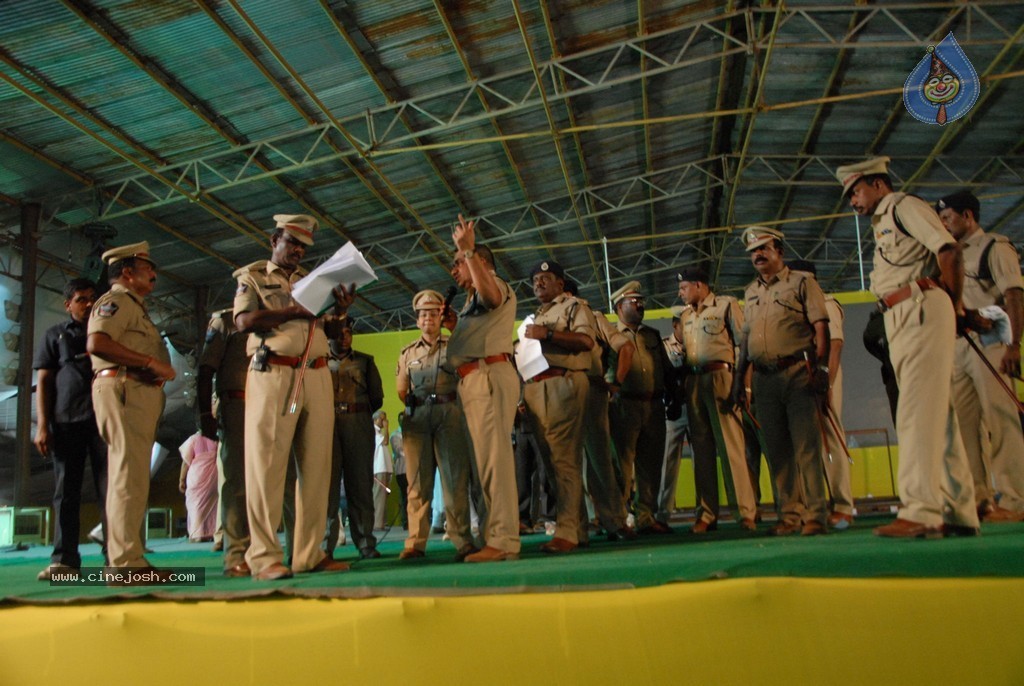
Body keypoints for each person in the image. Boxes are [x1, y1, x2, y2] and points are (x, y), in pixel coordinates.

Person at [836, 157, 977, 538]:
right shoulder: (884, 221)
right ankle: (959, 511)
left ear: (878, 184)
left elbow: (949, 251)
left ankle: (920, 510)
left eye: (856, 191)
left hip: (918, 306)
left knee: (914, 412)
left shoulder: (902, 206)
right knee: (938, 416)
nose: (853, 201)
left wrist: (954, 307)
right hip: (902, 313)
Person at [233, 213, 351, 580]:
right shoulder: (253, 277)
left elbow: (331, 330)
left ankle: (308, 553)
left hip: (316, 372)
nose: (298, 251)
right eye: (292, 243)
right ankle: (264, 557)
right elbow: (244, 322)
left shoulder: (311, 281)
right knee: (266, 467)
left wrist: (341, 311)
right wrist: (291, 311)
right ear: (274, 241)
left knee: (317, 468)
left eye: (303, 246)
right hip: (274, 373)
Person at [732, 227, 830, 537]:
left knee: (807, 448)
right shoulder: (750, 292)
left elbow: (821, 327)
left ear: (780, 252)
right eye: (753, 251)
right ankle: (790, 516)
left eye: (764, 248)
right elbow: (746, 341)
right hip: (764, 380)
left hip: (799, 374)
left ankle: (815, 515)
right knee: (778, 451)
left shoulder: (802, 283)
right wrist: (739, 380)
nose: (758, 255)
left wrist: (822, 368)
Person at [87, 242, 176, 580]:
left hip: (135, 392)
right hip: (124, 389)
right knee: (128, 477)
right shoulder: (117, 302)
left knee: (132, 478)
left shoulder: (134, 306)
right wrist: (149, 362)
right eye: (147, 267)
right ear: (127, 272)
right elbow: (97, 343)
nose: (153, 273)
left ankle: (126, 558)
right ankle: (125, 564)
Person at [936, 190, 1024, 522]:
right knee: (965, 427)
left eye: (948, 217)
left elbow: (1014, 295)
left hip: (991, 343)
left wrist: (1013, 345)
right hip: (958, 346)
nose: (944, 224)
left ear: (968, 216)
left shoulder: (994, 247)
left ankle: (1015, 500)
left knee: (1001, 421)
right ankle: (979, 498)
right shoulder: (947, 254)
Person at [442, 214, 520, 562]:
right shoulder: (469, 300)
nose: (454, 270)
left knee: (494, 462)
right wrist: (456, 327)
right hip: (474, 381)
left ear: (481, 262)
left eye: (457, 262)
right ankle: (493, 535)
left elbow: (491, 297)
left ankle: (503, 540)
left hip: (487, 377)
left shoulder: (494, 283)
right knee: (483, 464)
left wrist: (469, 251)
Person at [520, 261, 597, 553]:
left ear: (560, 284)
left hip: (564, 383)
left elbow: (586, 341)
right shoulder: (537, 315)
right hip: (536, 387)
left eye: (545, 278)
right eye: (535, 280)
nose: (538, 283)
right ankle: (578, 528)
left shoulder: (575, 307)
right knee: (551, 463)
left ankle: (566, 532)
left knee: (564, 460)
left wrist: (548, 335)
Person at [33, 278, 108, 581]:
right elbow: (44, 382)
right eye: (81, 299)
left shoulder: (108, 332)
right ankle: (64, 562)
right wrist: (42, 426)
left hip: (105, 421)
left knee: (111, 490)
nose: (89, 304)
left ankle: (117, 557)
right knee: (66, 493)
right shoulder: (55, 335)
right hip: (66, 423)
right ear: (68, 305)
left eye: (92, 298)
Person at [396, 289, 477, 561]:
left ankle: (462, 539)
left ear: (441, 317)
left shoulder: (455, 345)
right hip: (417, 418)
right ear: (417, 320)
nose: (428, 319)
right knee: (417, 484)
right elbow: (401, 389)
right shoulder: (407, 353)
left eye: (433, 314)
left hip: (450, 414)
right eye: (423, 315)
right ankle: (415, 543)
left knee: (455, 481)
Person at [676, 267, 757, 533]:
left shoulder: (726, 306)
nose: (680, 293)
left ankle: (744, 513)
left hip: (722, 377)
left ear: (699, 285)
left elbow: (744, 346)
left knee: (731, 448)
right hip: (694, 381)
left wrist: (744, 386)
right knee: (701, 452)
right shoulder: (686, 315)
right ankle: (706, 514)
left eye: (684, 287)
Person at [600, 280, 676, 535]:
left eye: (641, 301)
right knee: (621, 466)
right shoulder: (610, 336)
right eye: (633, 302)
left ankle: (646, 516)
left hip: (654, 406)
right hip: (624, 406)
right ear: (619, 307)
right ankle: (620, 519)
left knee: (650, 465)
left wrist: (674, 396)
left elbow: (665, 368)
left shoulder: (651, 335)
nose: (640, 305)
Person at [788, 259, 855, 529]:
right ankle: (814, 506)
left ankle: (842, 505)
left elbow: (835, 346)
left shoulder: (826, 304)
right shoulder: (796, 308)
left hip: (824, 375)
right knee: (806, 443)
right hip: (800, 378)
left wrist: (827, 384)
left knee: (831, 438)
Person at [319, 320, 385, 559]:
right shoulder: (319, 362)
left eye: (348, 332)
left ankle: (365, 541)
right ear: (329, 337)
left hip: (358, 423)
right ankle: (325, 545)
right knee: (327, 487)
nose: (345, 337)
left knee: (360, 485)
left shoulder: (365, 361)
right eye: (340, 333)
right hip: (327, 424)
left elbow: (376, 398)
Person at [197, 307, 252, 577]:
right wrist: (204, 413)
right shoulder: (225, 321)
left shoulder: (276, 318)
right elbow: (205, 369)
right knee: (236, 480)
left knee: (270, 481)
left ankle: (265, 550)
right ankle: (236, 552)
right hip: (236, 404)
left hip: (270, 406)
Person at [658, 308, 689, 527]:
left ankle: (706, 512)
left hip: (696, 407)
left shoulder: (698, 345)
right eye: (685, 325)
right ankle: (662, 514)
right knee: (668, 463)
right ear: (675, 326)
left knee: (703, 462)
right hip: (673, 409)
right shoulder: (664, 346)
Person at [178, 431, 219, 542]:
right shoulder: (216, 439)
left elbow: (185, 462)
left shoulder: (193, 439)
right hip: (213, 476)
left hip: (196, 476)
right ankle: (211, 533)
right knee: (212, 506)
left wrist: (181, 480)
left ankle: (198, 534)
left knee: (196, 506)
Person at [372, 411, 394, 530]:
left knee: (383, 496)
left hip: (384, 468)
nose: (384, 422)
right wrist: (387, 428)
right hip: (379, 468)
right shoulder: (374, 431)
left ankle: (381, 521)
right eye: (382, 419)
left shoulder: (379, 432)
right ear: (375, 420)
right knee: (379, 496)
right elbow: (385, 441)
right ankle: (377, 523)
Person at [390, 427, 408, 530]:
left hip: (413, 469)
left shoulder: (412, 432)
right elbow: (399, 450)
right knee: (404, 496)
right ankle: (405, 521)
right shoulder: (395, 435)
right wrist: (411, 451)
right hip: (402, 470)